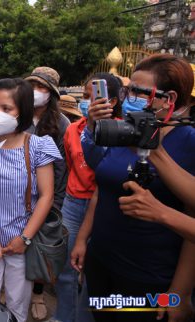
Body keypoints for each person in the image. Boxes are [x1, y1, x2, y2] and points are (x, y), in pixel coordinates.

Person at [77, 54, 195, 322]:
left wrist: (180, 292)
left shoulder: (189, 143)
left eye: (138, 92)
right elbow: (101, 188)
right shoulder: (123, 132)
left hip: (149, 278)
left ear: (169, 99)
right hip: (102, 262)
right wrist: (84, 240)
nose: (130, 97)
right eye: (128, 90)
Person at [0, 78, 61, 322]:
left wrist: (24, 238)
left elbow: (46, 196)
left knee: (17, 308)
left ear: (23, 111)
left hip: (21, 243)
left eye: (7, 109)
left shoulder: (39, 147)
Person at [54, 72, 122, 322]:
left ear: (111, 102)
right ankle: (63, 317)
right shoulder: (73, 129)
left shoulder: (123, 132)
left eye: (90, 97)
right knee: (66, 270)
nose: (85, 102)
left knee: (94, 271)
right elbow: (71, 166)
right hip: (73, 204)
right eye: (83, 97)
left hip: (104, 206)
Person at [25, 66, 70, 320]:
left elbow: (62, 166)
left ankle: (38, 294)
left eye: (42, 88)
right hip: (15, 193)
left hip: (47, 194)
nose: (36, 92)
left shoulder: (62, 123)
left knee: (41, 245)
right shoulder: (16, 114)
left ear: (51, 94)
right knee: (15, 239)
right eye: (32, 85)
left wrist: (55, 201)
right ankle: (9, 287)